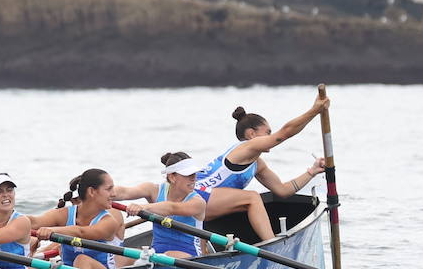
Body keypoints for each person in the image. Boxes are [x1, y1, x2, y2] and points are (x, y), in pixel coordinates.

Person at [193, 95, 330, 242]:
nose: (271, 137)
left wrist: (312, 171)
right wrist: (315, 111)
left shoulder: (257, 164)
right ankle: (273, 246)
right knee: (252, 197)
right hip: (193, 196)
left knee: (250, 200)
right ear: (252, 134)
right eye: (268, 132)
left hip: (206, 203)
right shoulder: (247, 147)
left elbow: (283, 191)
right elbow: (285, 133)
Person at [29, 169, 123, 269]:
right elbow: (35, 222)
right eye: (109, 189)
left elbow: (81, 232)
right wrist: (11, 218)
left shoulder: (109, 222)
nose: (114, 194)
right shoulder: (64, 214)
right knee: (34, 267)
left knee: (82, 259)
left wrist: (52, 230)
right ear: (92, 191)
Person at [113, 153, 207, 258]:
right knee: (120, 258)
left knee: (167, 256)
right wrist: (103, 192)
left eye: (194, 174)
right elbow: (124, 192)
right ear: (172, 177)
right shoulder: (153, 190)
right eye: (188, 175)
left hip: (190, 254)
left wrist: (144, 207)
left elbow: (172, 208)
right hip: (157, 252)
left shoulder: (198, 203)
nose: (194, 179)